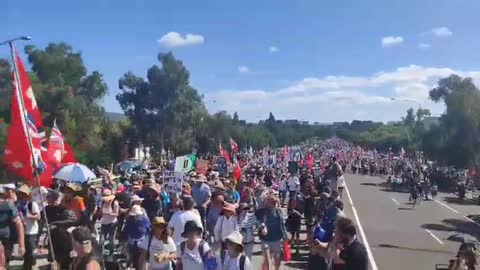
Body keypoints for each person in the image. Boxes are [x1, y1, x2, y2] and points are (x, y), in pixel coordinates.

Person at [259, 194, 288, 270]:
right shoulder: (263, 211)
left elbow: (282, 224)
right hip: (266, 240)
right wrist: (262, 227)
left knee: (277, 261)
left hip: (277, 239)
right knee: (267, 261)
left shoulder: (279, 211)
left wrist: (285, 236)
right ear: (267, 202)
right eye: (271, 201)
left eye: (274, 201)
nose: (273, 203)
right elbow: (258, 222)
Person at [16, 184, 41, 270]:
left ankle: (29, 266)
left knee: (30, 252)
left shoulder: (32, 204)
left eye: (22, 193)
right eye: (19, 193)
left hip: (32, 231)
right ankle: (26, 265)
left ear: (26, 194)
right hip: (23, 230)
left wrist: (27, 216)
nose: (20, 195)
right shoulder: (19, 203)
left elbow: (38, 217)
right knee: (25, 251)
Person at [0, 184, 25, 267]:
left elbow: (19, 224)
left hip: (8, 237)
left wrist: (21, 245)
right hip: (8, 237)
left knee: (5, 260)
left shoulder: (10, 205)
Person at [123, 205, 151, 269]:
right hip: (132, 243)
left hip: (141, 243)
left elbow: (149, 230)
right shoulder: (129, 220)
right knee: (135, 260)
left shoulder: (145, 220)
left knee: (141, 261)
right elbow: (126, 231)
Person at [99, 189, 119, 256]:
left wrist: (109, 213)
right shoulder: (102, 203)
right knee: (101, 240)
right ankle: (101, 254)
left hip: (112, 223)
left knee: (111, 240)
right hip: (104, 223)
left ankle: (111, 254)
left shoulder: (114, 203)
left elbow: (116, 214)